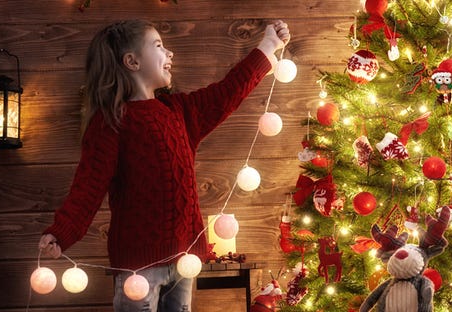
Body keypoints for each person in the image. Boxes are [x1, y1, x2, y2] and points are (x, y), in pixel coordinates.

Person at [39, 19, 291, 311]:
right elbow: (88, 187)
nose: (169, 53)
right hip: (139, 270)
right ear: (132, 61)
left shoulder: (178, 111)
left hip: (183, 262)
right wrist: (61, 232)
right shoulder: (112, 123)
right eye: (159, 46)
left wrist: (268, 45)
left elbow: (227, 92)